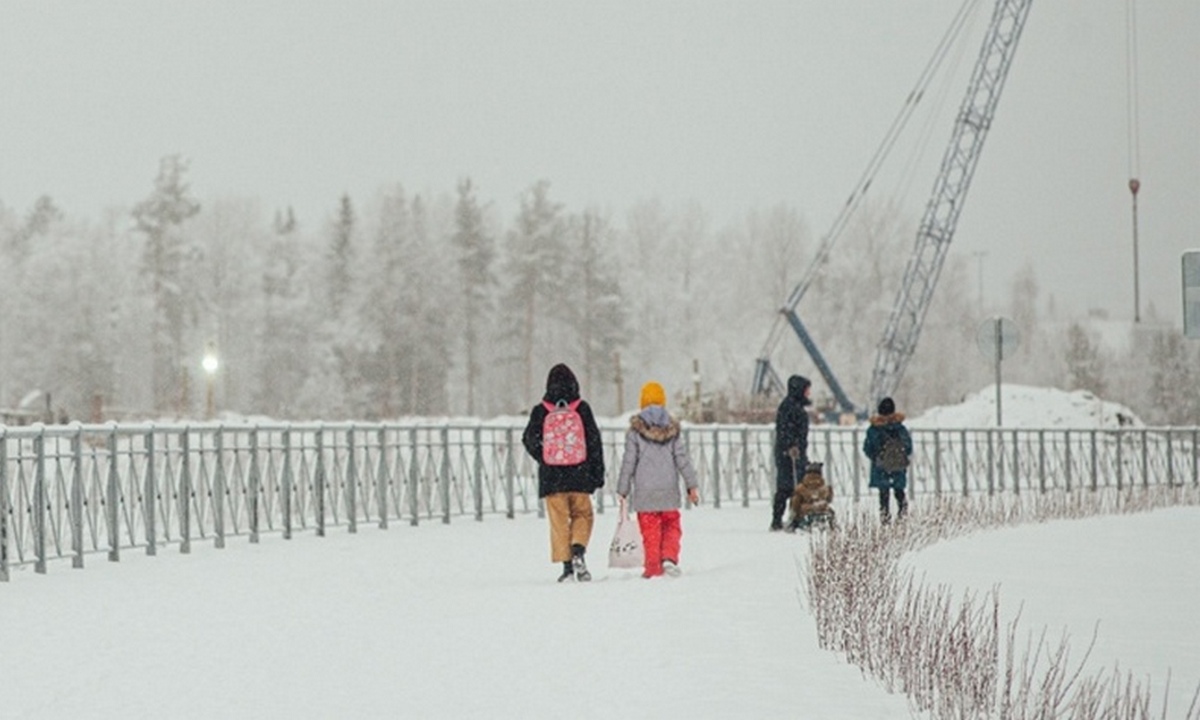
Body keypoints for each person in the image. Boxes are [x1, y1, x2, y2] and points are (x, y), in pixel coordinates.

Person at [522, 363, 605, 582]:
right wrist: (597, 473)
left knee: (558, 521)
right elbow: (594, 442)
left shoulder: (541, 411)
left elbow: (528, 439)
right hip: (580, 475)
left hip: (552, 478)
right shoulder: (582, 409)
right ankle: (578, 550)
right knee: (583, 515)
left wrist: (545, 458)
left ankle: (567, 568)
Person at [616, 381, 700, 578]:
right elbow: (683, 460)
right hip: (669, 490)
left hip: (645, 493)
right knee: (671, 525)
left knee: (650, 531)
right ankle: (669, 558)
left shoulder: (635, 432)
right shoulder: (672, 429)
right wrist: (692, 485)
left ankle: (653, 568)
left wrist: (623, 489)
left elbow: (629, 462)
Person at [863, 396, 913, 523]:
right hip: (898, 466)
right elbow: (908, 447)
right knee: (899, 492)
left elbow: (867, 448)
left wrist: (877, 458)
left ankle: (885, 520)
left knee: (883, 495)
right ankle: (903, 517)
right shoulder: (900, 428)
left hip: (881, 467)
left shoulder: (874, 429)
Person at [771, 375, 812, 531]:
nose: (808, 393)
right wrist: (790, 446)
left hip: (797, 453)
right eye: (807, 389)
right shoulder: (789, 407)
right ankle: (779, 519)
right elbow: (784, 430)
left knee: (797, 486)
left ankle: (795, 516)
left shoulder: (797, 407)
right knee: (786, 487)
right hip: (788, 454)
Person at [787, 461, 835, 532]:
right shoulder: (825, 488)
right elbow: (829, 499)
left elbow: (795, 503)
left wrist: (795, 514)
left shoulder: (801, 488)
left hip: (806, 513)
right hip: (823, 511)